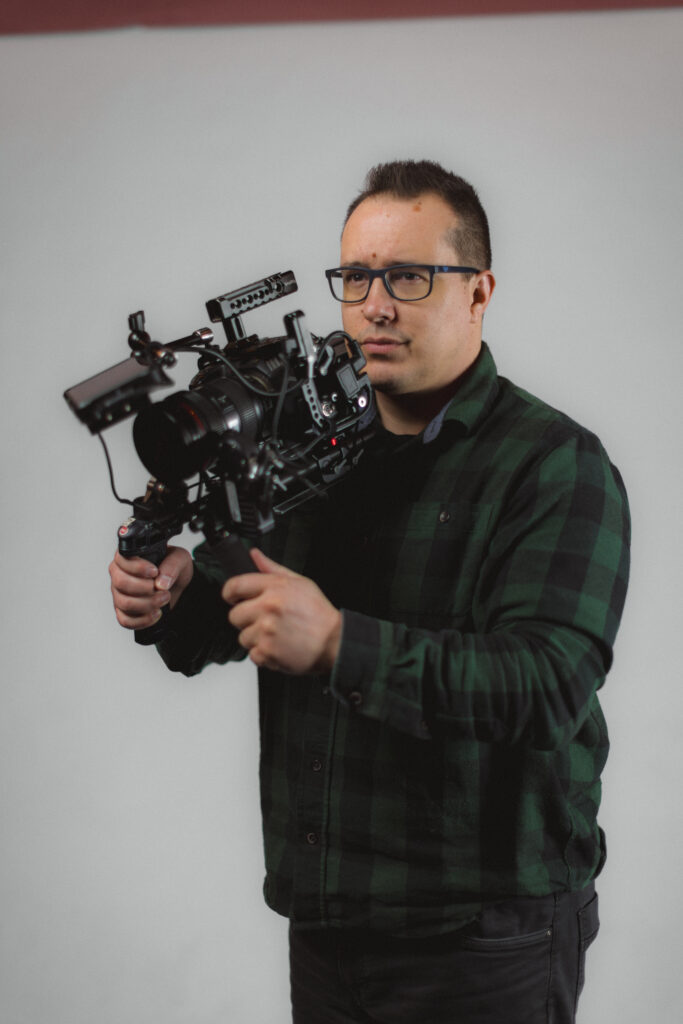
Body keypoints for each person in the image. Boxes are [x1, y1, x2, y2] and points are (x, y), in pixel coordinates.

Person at [109, 160, 630, 1023]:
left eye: (409, 276)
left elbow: (548, 685)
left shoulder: (551, 464)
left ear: (478, 291)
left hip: (481, 942)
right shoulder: (306, 450)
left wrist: (339, 645)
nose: (374, 305)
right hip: (327, 920)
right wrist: (175, 597)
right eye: (354, 277)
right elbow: (242, 613)